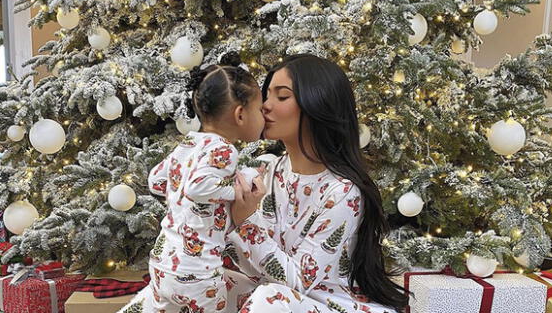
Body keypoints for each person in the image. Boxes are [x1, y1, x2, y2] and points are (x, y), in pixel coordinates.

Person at [223, 54, 408, 312]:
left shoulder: (343, 191)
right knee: (209, 282)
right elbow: (258, 269)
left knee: (270, 300)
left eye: (282, 96)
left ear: (317, 103)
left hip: (324, 305)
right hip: (276, 294)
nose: (265, 106)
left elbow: (297, 282)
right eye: (267, 96)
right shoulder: (271, 171)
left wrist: (245, 223)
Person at [144, 63, 265, 312]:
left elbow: (155, 181)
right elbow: (198, 188)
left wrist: (179, 188)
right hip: (197, 275)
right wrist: (237, 190)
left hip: (161, 264)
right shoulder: (224, 149)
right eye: (260, 109)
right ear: (240, 114)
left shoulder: (188, 144)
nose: (264, 116)